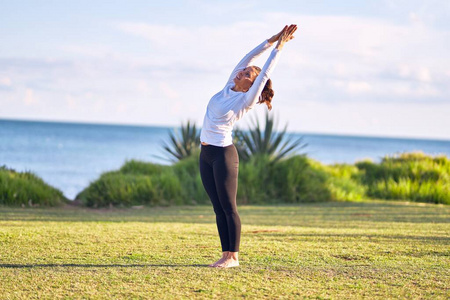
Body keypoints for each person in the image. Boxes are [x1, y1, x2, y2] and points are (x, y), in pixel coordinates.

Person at [199, 24, 297, 268]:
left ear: (250, 86)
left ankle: (234, 257)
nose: (240, 73)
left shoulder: (245, 99)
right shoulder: (228, 88)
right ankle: (225, 254)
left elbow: (262, 74)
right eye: (241, 72)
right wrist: (270, 40)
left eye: (245, 75)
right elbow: (249, 59)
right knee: (217, 208)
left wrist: (279, 48)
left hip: (223, 155)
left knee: (229, 207)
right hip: (206, 153)